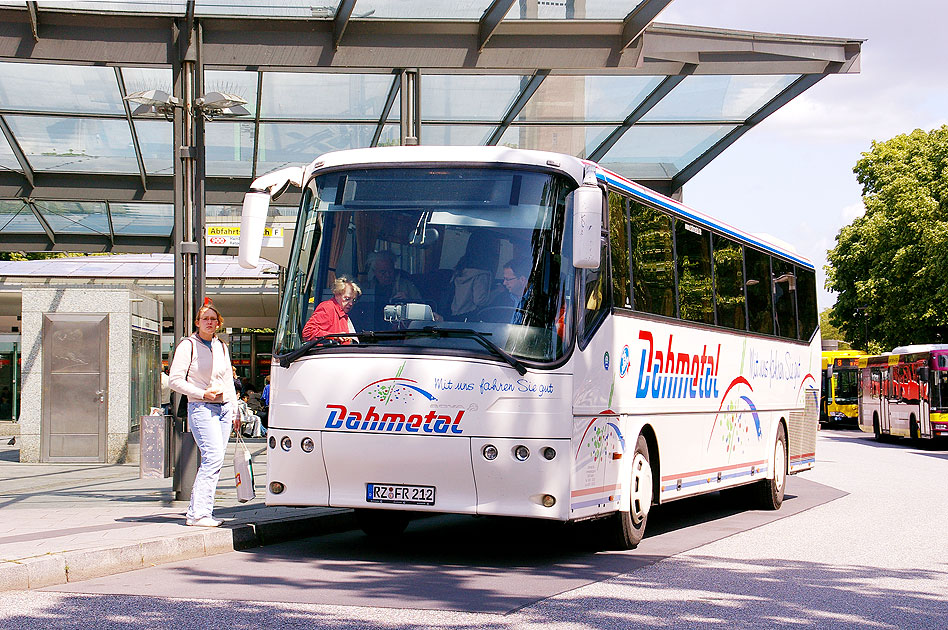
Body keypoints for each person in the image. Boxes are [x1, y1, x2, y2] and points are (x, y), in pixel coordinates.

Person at [168, 301, 239, 528]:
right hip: (201, 407)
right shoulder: (188, 346)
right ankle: (198, 514)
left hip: (224, 407)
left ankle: (199, 511)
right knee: (212, 458)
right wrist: (202, 393)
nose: (210, 322)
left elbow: (228, 380)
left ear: (219, 323)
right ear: (197, 323)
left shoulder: (221, 346)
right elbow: (175, 380)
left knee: (216, 460)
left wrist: (236, 409)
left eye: (213, 319)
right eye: (205, 319)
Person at [302, 277, 361, 342]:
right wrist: (333, 336)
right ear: (337, 294)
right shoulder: (328, 308)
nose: (351, 303)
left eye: (354, 300)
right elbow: (307, 333)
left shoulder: (343, 315)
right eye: (347, 299)